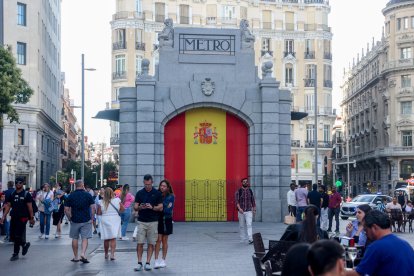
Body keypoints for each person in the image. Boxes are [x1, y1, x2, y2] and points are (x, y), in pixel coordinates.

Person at [346, 210, 414, 276]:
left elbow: (358, 274)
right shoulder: (405, 244)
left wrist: (338, 270)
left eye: (365, 229)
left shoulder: (376, 247)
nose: (365, 233)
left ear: (374, 228)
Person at [134, 174, 163, 271]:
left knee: (151, 243)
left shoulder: (157, 193)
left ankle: (147, 262)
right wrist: (140, 207)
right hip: (141, 221)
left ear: (152, 183)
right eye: (145, 184)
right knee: (140, 242)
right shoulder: (139, 193)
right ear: (143, 183)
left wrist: (152, 207)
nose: (147, 186)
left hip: (153, 221)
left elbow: (161, 207)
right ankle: (139, 262)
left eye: (149, 184)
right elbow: (135, 206)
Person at [0, 179, 34, 261]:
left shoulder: (26, 194)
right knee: (13, 236)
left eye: (20, 183)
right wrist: (3, 216)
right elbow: (8, 206)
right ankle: (24, 244)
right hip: (14, 217)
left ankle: (15, 254)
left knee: (18, 235)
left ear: (23, 184)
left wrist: (31, 218)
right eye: (16, 183)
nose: (18, 184)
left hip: (23, 217)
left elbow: (30, 207)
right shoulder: (12, 193)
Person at [64, 180, 95, 263]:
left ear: (75, 186)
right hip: (86, 219)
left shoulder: (71, 196)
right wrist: (92, 218)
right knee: (85, 238)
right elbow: (93, 208)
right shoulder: (88, 195)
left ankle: (76, 257)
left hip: (75, 220)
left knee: (75, 238)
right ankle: (83, 253)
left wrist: (69, 218)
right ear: (82, 185)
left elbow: (66, 209)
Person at [97, 187, 124, 260]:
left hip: (105, 219)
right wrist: (116, 212)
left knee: (106, 238)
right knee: (113, 238)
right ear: (112, 193)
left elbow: (98, 213)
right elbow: (122, 209)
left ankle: (106, 254)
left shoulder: (101, 202)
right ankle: (112, 254)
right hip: (115, 219)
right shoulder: (117, 200)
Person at [154, 179, 175, 269]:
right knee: (158, 240)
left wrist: (159, 207)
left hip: (167, 220)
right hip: (158, 219)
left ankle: (163, 260)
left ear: (168, 187)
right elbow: (157, 206)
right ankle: (156, 260)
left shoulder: (171, 196)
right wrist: (160, 207)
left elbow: (167, 209)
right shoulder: (156, 194)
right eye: (161, 185)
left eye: (164, 186)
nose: (162, 187)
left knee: (164, 240)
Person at [235, 178, 256, 244]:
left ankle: (250, 238)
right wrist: (239, 208)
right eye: (244, 182)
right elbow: (236, 201)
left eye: (246, 182)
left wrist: (254, 209)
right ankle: (242, 238)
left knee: (249, 224)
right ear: (242, 183)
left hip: (249, 210)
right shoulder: (238, 191)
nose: (245, 183)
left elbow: (252, 200)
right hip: (241, 211)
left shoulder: (250, 190)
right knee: (241, 225)